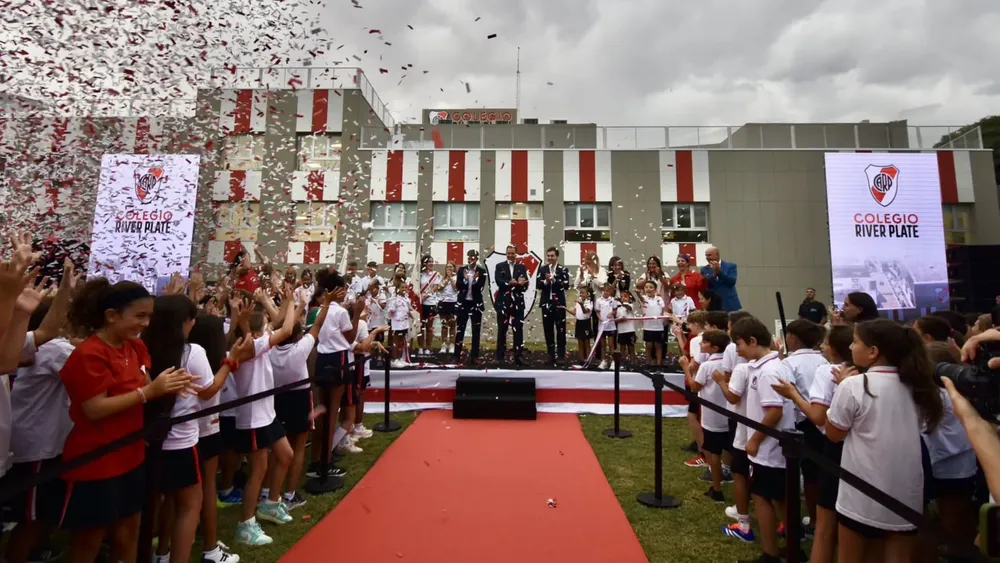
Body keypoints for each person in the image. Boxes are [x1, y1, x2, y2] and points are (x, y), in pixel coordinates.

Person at [58, 279, 198, 563]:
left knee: (129, 532)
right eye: (139, 316)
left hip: (131, 455)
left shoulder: (134, 347)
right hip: (97, 459)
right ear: (112, 316)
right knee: (89, 540)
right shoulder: (89, 354)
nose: (145, 324)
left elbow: (146, 382)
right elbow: (94, 409)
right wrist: (149, 392)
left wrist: (169, 384)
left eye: (149, 316)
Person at [826, 319, 943, 563]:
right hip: (905, 493)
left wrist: (840, 388)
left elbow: (834, 433)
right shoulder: (918, 386)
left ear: (873, 351)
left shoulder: (854, 385)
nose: (850, 347)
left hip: (860, 493)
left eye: (855, 342)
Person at [769, 324, 853, 563]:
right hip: (842, 432)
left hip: (814, 424)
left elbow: (815, 414)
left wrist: (793, 394)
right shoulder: (823, 363)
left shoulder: (823, 369)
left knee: (815, 476)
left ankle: (818, 521)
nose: (823, 347)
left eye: (827, 344)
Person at [728, 316, 795, 563]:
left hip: (769, 449)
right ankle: (792, 545)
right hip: (771, 447)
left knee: (763, 497)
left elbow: (774, 411)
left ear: (753, 341)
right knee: (777, 497)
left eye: (739, 344)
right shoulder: (766, 366)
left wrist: (755, 440)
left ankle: (771, 553)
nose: (737, 350)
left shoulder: (768, 371)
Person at [683, 329, 731, 503]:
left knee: (713, 452)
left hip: (712, 415)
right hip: (728, 412)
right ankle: (728, 473)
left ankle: (716, 487)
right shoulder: (729, 363)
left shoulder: (707, 366)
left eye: (704, 342)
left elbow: (694, 387)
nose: (701, 344)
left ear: (714, 347)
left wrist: (685, 367)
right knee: (729, 448)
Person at [494, 245, 528, 365]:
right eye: (508, 253)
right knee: (502, 330)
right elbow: (498, 281)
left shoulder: (521, 267)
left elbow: (526, 284)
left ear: (516, 254)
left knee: (518, 330)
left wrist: (522, 283)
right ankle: (500, 357)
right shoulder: (500, 266)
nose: (510, 255)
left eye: (512, 253)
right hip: (503, 302)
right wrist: (510, 283)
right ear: (506, 254)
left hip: (518, 303)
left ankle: (518, 356)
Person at [537, 246, 570, 364]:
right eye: (548, 256)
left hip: (559, 304)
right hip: (546, 303)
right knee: (548, 330)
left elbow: (566, 285)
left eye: (552, 256)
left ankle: (561, 355)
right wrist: (546, 281)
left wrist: (555, 280)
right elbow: (538, 285)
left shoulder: (563, 269)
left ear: (557, 257)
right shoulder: (542, 269)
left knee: (561, 330)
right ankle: (550, 355)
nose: (550, 258)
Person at [454, 249, 487, 362]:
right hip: (464, 303)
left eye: (473, 257)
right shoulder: (461, 270)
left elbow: (480, 287)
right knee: (460, 330)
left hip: (475, 303)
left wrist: (474, 280)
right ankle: (456, 356)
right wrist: (465, 280)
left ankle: (474, 356)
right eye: (469, 257)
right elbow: (458, 286)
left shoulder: (481, 271)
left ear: (477, 259)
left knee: (476, 331)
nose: (471, 259)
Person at [701, 247, 741, 312]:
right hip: (714, 305)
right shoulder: (704, 269)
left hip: (729, 303)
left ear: (717, 254)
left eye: (709, 255)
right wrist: (714, 275)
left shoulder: (730, 266)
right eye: (706, 255)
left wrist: (719, 272)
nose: (707, 257)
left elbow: (732, 281)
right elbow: (708, 285)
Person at [417, 255, 441, 355]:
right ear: (424, 263)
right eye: (428, 262)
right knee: (420, 327)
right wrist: (419, 299)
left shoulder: (435, 275)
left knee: (429, 327)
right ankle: (420, 347)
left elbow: (434, 288)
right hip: (420, 304)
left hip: (430, 303)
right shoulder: (419, 275)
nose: (431, 263)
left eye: (432, 261)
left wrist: (425, 297)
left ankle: (428, 347)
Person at [564, 286, 592, 363]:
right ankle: (582, 360)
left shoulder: (589, 302)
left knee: (586, 343)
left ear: (588, 294)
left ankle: (588, 360)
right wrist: (565, 308)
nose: (581, 294)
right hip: (579, 323)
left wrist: (581, 304)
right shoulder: (578, 302)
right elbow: (574, 313)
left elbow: (585, 311)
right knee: (580, 343)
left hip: (586, 323)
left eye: (583, 293)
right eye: (580, 293)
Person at [437, 262, 458, 354]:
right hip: (443, 303)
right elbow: (439, 288)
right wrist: (447, 279)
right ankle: (444, 345)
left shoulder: (457, 277)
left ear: (454, 268)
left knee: (452, 325)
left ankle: (452, 345)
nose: (449, 268)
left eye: (451, 267)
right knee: (444, 325)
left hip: (453, 302)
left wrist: (451, 278)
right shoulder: (442, 278)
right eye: (447, 267)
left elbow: (455, 288)